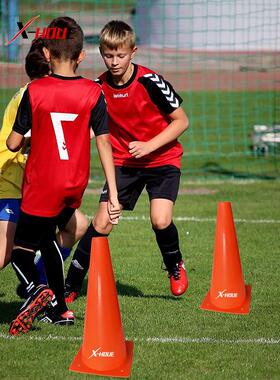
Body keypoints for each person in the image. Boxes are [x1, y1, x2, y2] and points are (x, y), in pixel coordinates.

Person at [6, 16, 120, 336]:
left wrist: (29, 139)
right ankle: (61, 310)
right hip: (74, 184)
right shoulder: (93, 92)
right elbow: (104, 142)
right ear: (82, 55)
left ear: (46, 54)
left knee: (20, 250)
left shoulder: (36, 90)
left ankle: (34, 291)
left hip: (42, 183)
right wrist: (112, 193)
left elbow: (13, 142)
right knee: (48, 238)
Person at [64, 20, 189, 302]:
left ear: (133, 51)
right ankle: (70, 285)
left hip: (162, 158)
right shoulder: (97, 88)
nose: (115, 62)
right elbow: (84, 129)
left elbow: (181, 121)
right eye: (109, 56)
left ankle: (174, 265)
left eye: (121, 55)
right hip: (123, 164)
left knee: (160, 219)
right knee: (103, 222)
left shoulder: (150, 82)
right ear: (101, 53)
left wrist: (148, 146)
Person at [0, 38, 88, 293]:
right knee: (5, 255)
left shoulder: (44, 92)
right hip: (12, 179)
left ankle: (39, 282)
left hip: (35, 182)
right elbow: (18, 143)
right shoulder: (33, 94)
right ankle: (37, 284)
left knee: (77, 226)